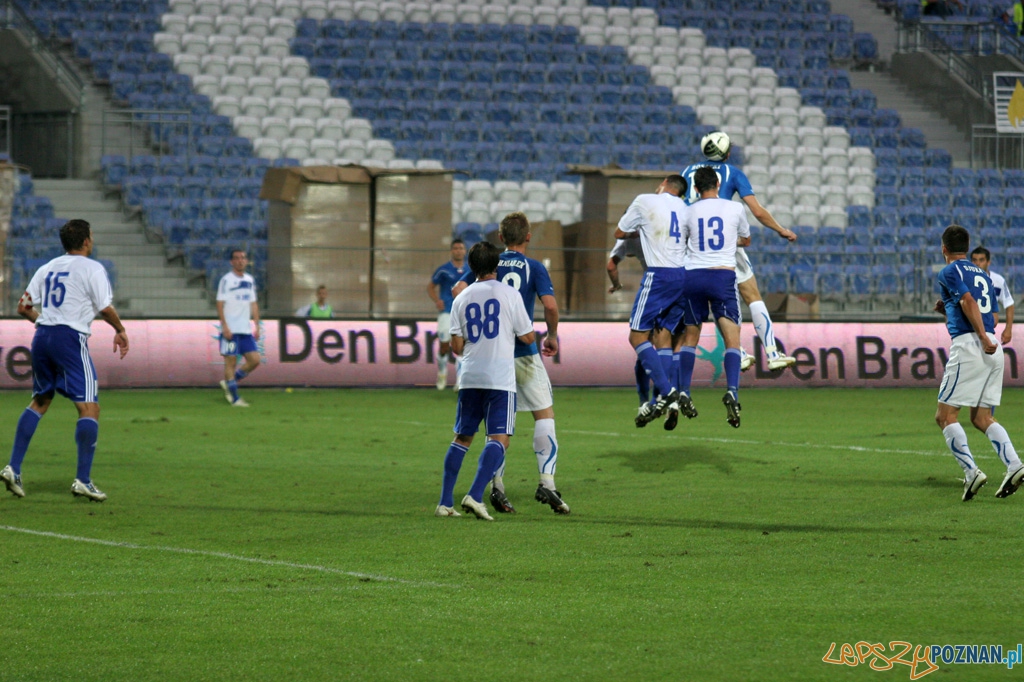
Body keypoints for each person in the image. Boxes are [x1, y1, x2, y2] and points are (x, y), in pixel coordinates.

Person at [0, 219, 129, 502]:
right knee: (89, 407)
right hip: (69, 339)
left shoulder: (48, 267)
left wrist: (46, 321)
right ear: (86, 241)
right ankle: (83, 480)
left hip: (42, 337)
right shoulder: (93, 268)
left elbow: (23, 306)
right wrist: (120, 330)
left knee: (40, 400)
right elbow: (105, 308)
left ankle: (13, 467)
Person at [453, 213, 570, 515]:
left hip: (494, 356)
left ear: (501, 237)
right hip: (524, 351)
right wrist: (552, 335)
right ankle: (547, 481)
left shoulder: (490, 262)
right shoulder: (534, 267)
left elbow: (457, 291)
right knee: (544, 414)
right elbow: (550, 305)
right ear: (528, 237)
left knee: (497, 426)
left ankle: (497, 486)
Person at [436, 242, 536, 521]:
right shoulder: (510, 294)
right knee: (500, 439)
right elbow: (527, 336)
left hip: (470, 376)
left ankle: (445, 503)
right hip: (499, 377)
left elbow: (457, 347)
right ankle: (475, 495)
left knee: (462, 437)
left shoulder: (461, 297)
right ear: (497, 265)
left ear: (472, 267)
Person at [681, 131, 797, 372]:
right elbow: (757, 211)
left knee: (715, 301)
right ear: (726, 152)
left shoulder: (687, 172)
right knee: (752, 295)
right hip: (725, 243)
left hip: (694, 246)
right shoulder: (732, 173)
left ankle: (739, 353)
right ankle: (772, 352)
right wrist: (780, 229)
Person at [934, 224, 1024, 501]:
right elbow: (991, 316)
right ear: (967, 247)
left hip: (971, 345)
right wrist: (949, 310)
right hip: (993, 348)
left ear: (944, 248)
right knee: (982, 418)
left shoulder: (950, 270)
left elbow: (969, 302)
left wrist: (981, 336)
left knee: (945, 416)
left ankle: (971, 472)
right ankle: (1015, 465)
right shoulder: (982, 274)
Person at [674, 167, 751, 428]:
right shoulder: (735, 208)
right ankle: (732, 391)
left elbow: (682, 242)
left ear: (695, 188)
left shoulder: (687, 211)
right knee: (732, 340)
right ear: (718, 185)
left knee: (690, 337)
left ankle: (684, 391)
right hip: (722, 277)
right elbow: (746, 240)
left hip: (693, 276)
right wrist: (729, 242)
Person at [614, 175, 690, 428]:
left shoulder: (645, 200)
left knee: (637, 337)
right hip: (684, 276)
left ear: (664, 183)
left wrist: (642, 228)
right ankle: (668, 398)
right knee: (664, 337)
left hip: (659, 275)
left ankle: (667, 393)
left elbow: (619, 232)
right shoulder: (686, 208)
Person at [607, 237, 657, 416]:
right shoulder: (665, 226)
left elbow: (611, 266)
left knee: (640, 341)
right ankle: (674, 396)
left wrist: (616, 285)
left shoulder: (628, 234)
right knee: (670, 345)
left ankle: (648, 400)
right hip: (682, 282)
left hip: (656, 286)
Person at [217, 249, 261, 407]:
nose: (240, 261)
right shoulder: (226, 280)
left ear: (246, 261)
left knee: (255, 360)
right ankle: (235, 398)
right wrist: (225, 326)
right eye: (237, 258)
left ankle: (230, 382)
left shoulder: (249, 280)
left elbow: (253, 303)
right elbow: (220, 303)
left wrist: (257, 325)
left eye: (243, 258)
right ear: (232, 262)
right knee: (230, 362)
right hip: (230, 330)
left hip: (245, 330)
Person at [427, 239, 467, 390]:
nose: (458, 251)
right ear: (451, 251)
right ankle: (442, 372)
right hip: (447, 311)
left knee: (463, 347)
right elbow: (430, 287)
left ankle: (460, 380)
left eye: (461, 248)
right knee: (444, 345)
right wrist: (437, 300)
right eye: (455, 248)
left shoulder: (470, 270)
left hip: (463, 312)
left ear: (465, 251)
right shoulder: (443, 270)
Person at [970, 246, 1014, 345]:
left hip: (988, 331)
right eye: (974, 260)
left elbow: (1009, 304)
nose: (977, 264)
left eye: (981, 260)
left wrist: (1008, 329)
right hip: (969, 330)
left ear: (988, 262)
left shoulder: (998, 280)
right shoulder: (965, 280)